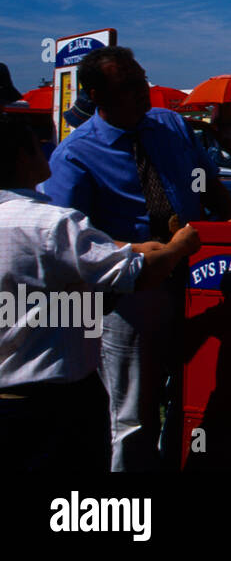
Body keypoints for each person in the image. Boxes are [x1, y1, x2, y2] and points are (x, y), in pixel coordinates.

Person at [40, 46, 231, 471]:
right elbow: (66, 240)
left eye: (142, 80)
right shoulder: (74, 155)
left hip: (197, 272)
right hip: (131, 292)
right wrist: (134, 257)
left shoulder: (169, 125)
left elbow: (208, 181)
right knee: (133, 409)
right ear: (97, 94)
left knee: (194, 388)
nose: (143, 93)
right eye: (129, 87)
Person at [0, 113, 201, 472]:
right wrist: (178, 248)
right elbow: (137, 275)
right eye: (37, 144)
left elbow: (95, 256)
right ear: (20, 157)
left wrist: (141, 248)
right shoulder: (53, 224)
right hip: (57, 401)